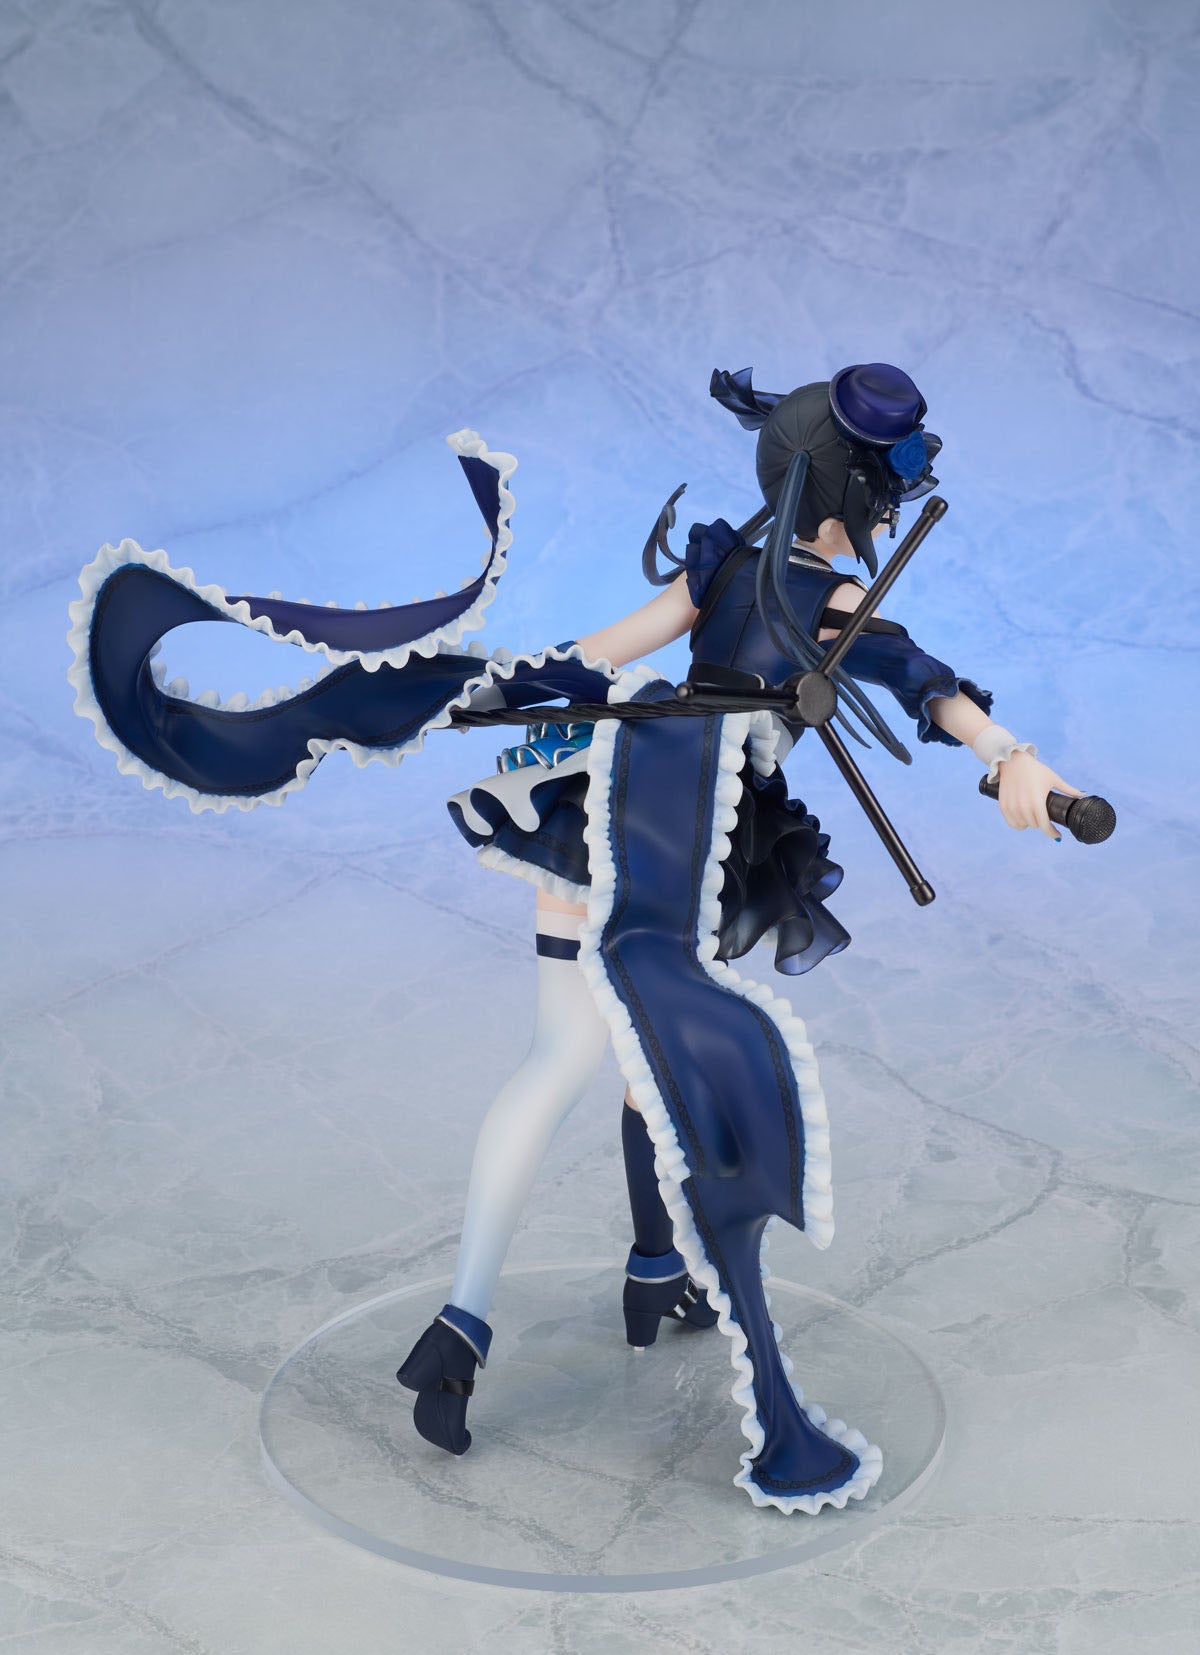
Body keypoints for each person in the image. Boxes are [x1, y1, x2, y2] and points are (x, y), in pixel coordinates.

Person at [69, 366, 1083, 1514]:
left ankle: (503, 1313)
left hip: (604, 801)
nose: (893, 508)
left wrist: (506, 695)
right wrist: (1016, 761)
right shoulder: (827, 598)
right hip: (691, 831)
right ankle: (653, 1276)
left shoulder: (726, 569)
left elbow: (601, 655)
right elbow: (929, 689)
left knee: (570, 1054)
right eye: (888, 488)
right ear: (854, 491)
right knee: (659, 1053)